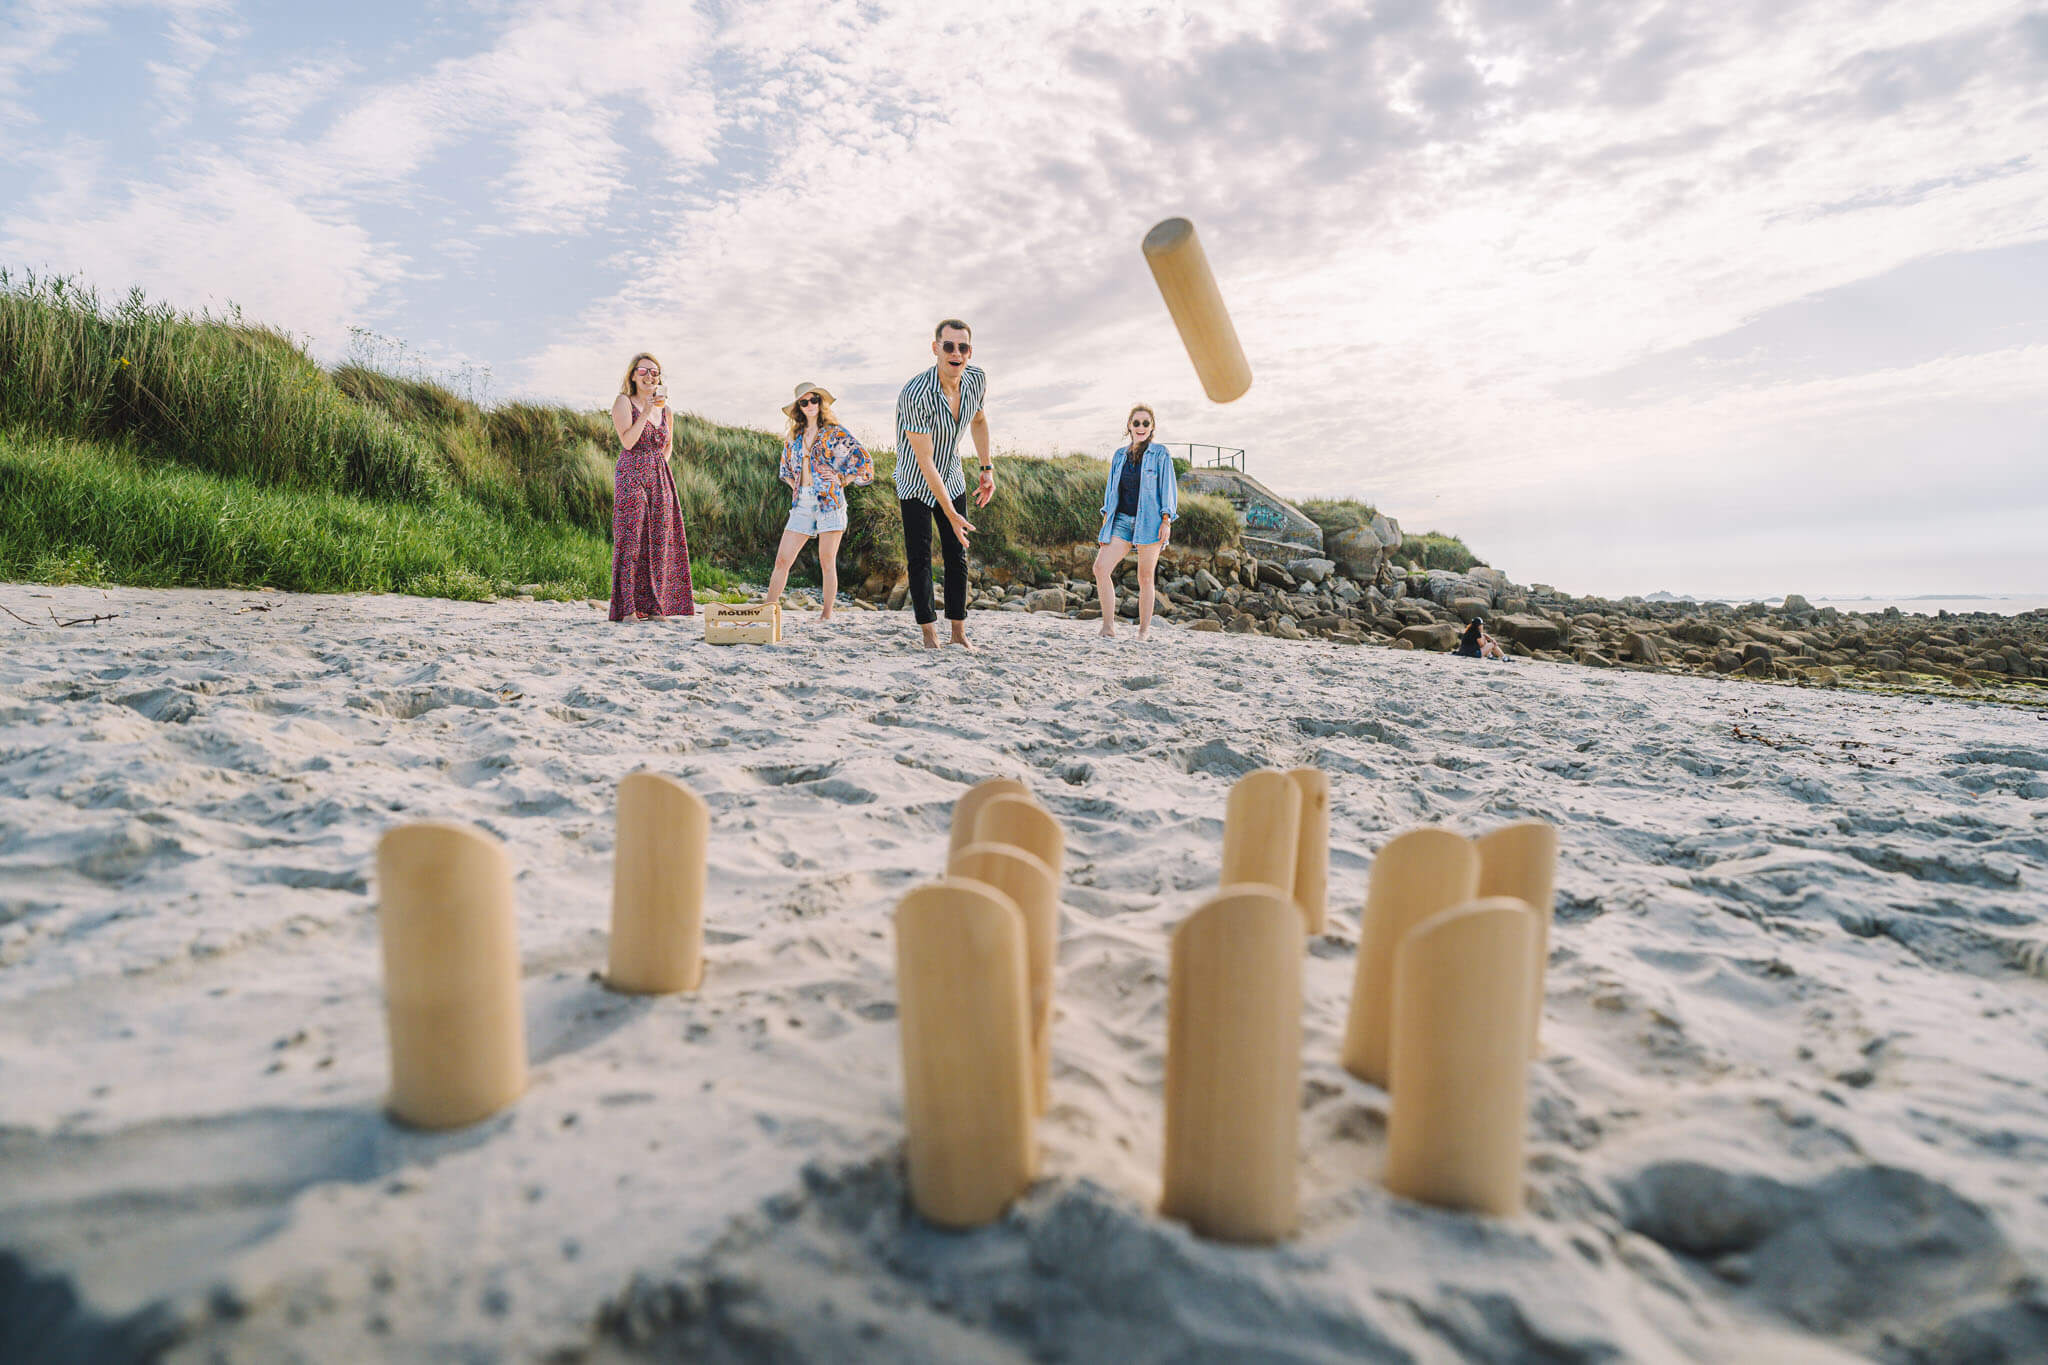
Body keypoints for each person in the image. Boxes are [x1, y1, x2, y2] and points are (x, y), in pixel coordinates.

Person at [895, 319, 993, 649]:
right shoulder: (915, 394)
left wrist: (986, 468)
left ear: (970, 352)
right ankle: (929, 635)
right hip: (915, 480)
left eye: (962, 347)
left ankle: (958, 634)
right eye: (949, 346)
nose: (956, 353)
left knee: (957, 555)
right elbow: (925, 462)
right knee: (920, 558)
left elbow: (979, 420)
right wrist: (950, 513)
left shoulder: (976, 379)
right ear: (935, 348)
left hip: (951, 475)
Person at [764, 381, 874, 623]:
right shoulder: (794, 437)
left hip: (830, 502)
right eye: (804, 402)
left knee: (827, 561)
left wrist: (842, 479)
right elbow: (785, 469)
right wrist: (798, 488)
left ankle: (826, 615)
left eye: (814, 400)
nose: (810, 405)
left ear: (821, 402)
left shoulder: (834, 433)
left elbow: (863, 461)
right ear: (799, 408)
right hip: (802, 504)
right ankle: (766, 611)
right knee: (782, 560)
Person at [608, 352, 695, 622]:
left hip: (660, 476)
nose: (649, 376)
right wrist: (645, 411)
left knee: (659, 540)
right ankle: (628, 609)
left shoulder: (667, 411)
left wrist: (658, 467)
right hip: (631, 473)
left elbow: (668, 445)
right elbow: (628, 442)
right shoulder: (624, 402)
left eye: (654, 372)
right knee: (631, 539)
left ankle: (655, 607)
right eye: (643, 371)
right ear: (633, 375)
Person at [1092, 404, 1178, 641]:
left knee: (1145, 577)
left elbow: (1168, 489)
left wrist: (1166, 520)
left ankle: (1143, 631)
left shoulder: (1160, 454)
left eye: (1146, 423)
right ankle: (1108, 627)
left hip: (1150, 522)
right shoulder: (1119, 455)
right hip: (1121, 521)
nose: (1141, 427)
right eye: (1136, 423)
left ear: (1152, 427)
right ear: (1129, 426)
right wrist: (1106, 523)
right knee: (1100, 568)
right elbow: (1111, 491)